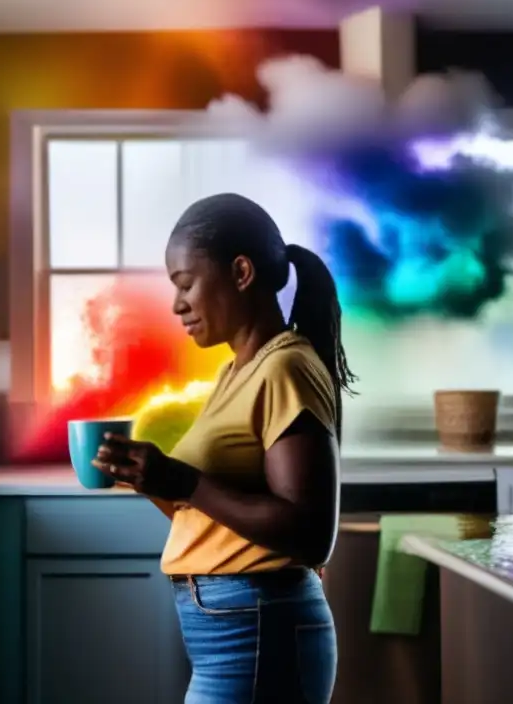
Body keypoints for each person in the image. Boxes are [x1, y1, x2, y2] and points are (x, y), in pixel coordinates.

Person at [93, 193, 356, 704]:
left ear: (240, 272)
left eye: (185, 283)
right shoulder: (237, 371)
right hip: (234, 634)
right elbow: (220, 516)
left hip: (257, 630)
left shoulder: (286, 367)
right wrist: (152, 481)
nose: (177, 305)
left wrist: (184, 480)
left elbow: (309, 533)